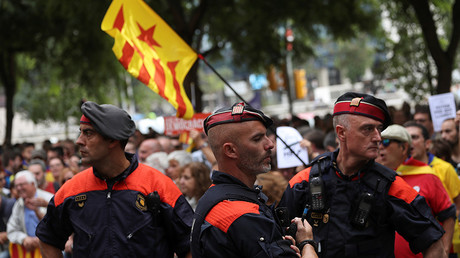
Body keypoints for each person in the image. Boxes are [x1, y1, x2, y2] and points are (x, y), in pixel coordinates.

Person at [279, 92, 446, 257]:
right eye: (368, 129)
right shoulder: (304, 180)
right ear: (341, 133)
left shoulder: (392, 186)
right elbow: (277, 239)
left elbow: (434, 245)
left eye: (379, 129)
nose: (378, 137)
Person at [36, 101, 194, 257]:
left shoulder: (158, 185)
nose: (79, 140)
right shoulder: (72, 189)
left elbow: (189, 244)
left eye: (88, 133)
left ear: (112, 140)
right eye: (81, 132)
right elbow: (47, 238)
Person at [191, 102, 318, 257]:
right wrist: (307, 243)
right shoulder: (242, 215)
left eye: (266, 135)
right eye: (257, 139)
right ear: (230, 150)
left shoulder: (213, 196)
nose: (270, 144)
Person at [377, 124, 456, 257]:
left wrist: (445, 251)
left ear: (404, 148)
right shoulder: (374, 178)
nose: (380, 147)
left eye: (386, 142)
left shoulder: (428, 176)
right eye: (378, 142)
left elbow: (448, 215)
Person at [7, 171, 53, 256]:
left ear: (32, 184)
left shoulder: (48, 199)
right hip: (28, 251)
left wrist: (41, 239)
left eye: (21, 185)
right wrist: (24, 238)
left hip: (49, 248)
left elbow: (56, 226)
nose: (19, 188)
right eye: (16, 185)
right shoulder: (18, 204)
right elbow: (11, 230)